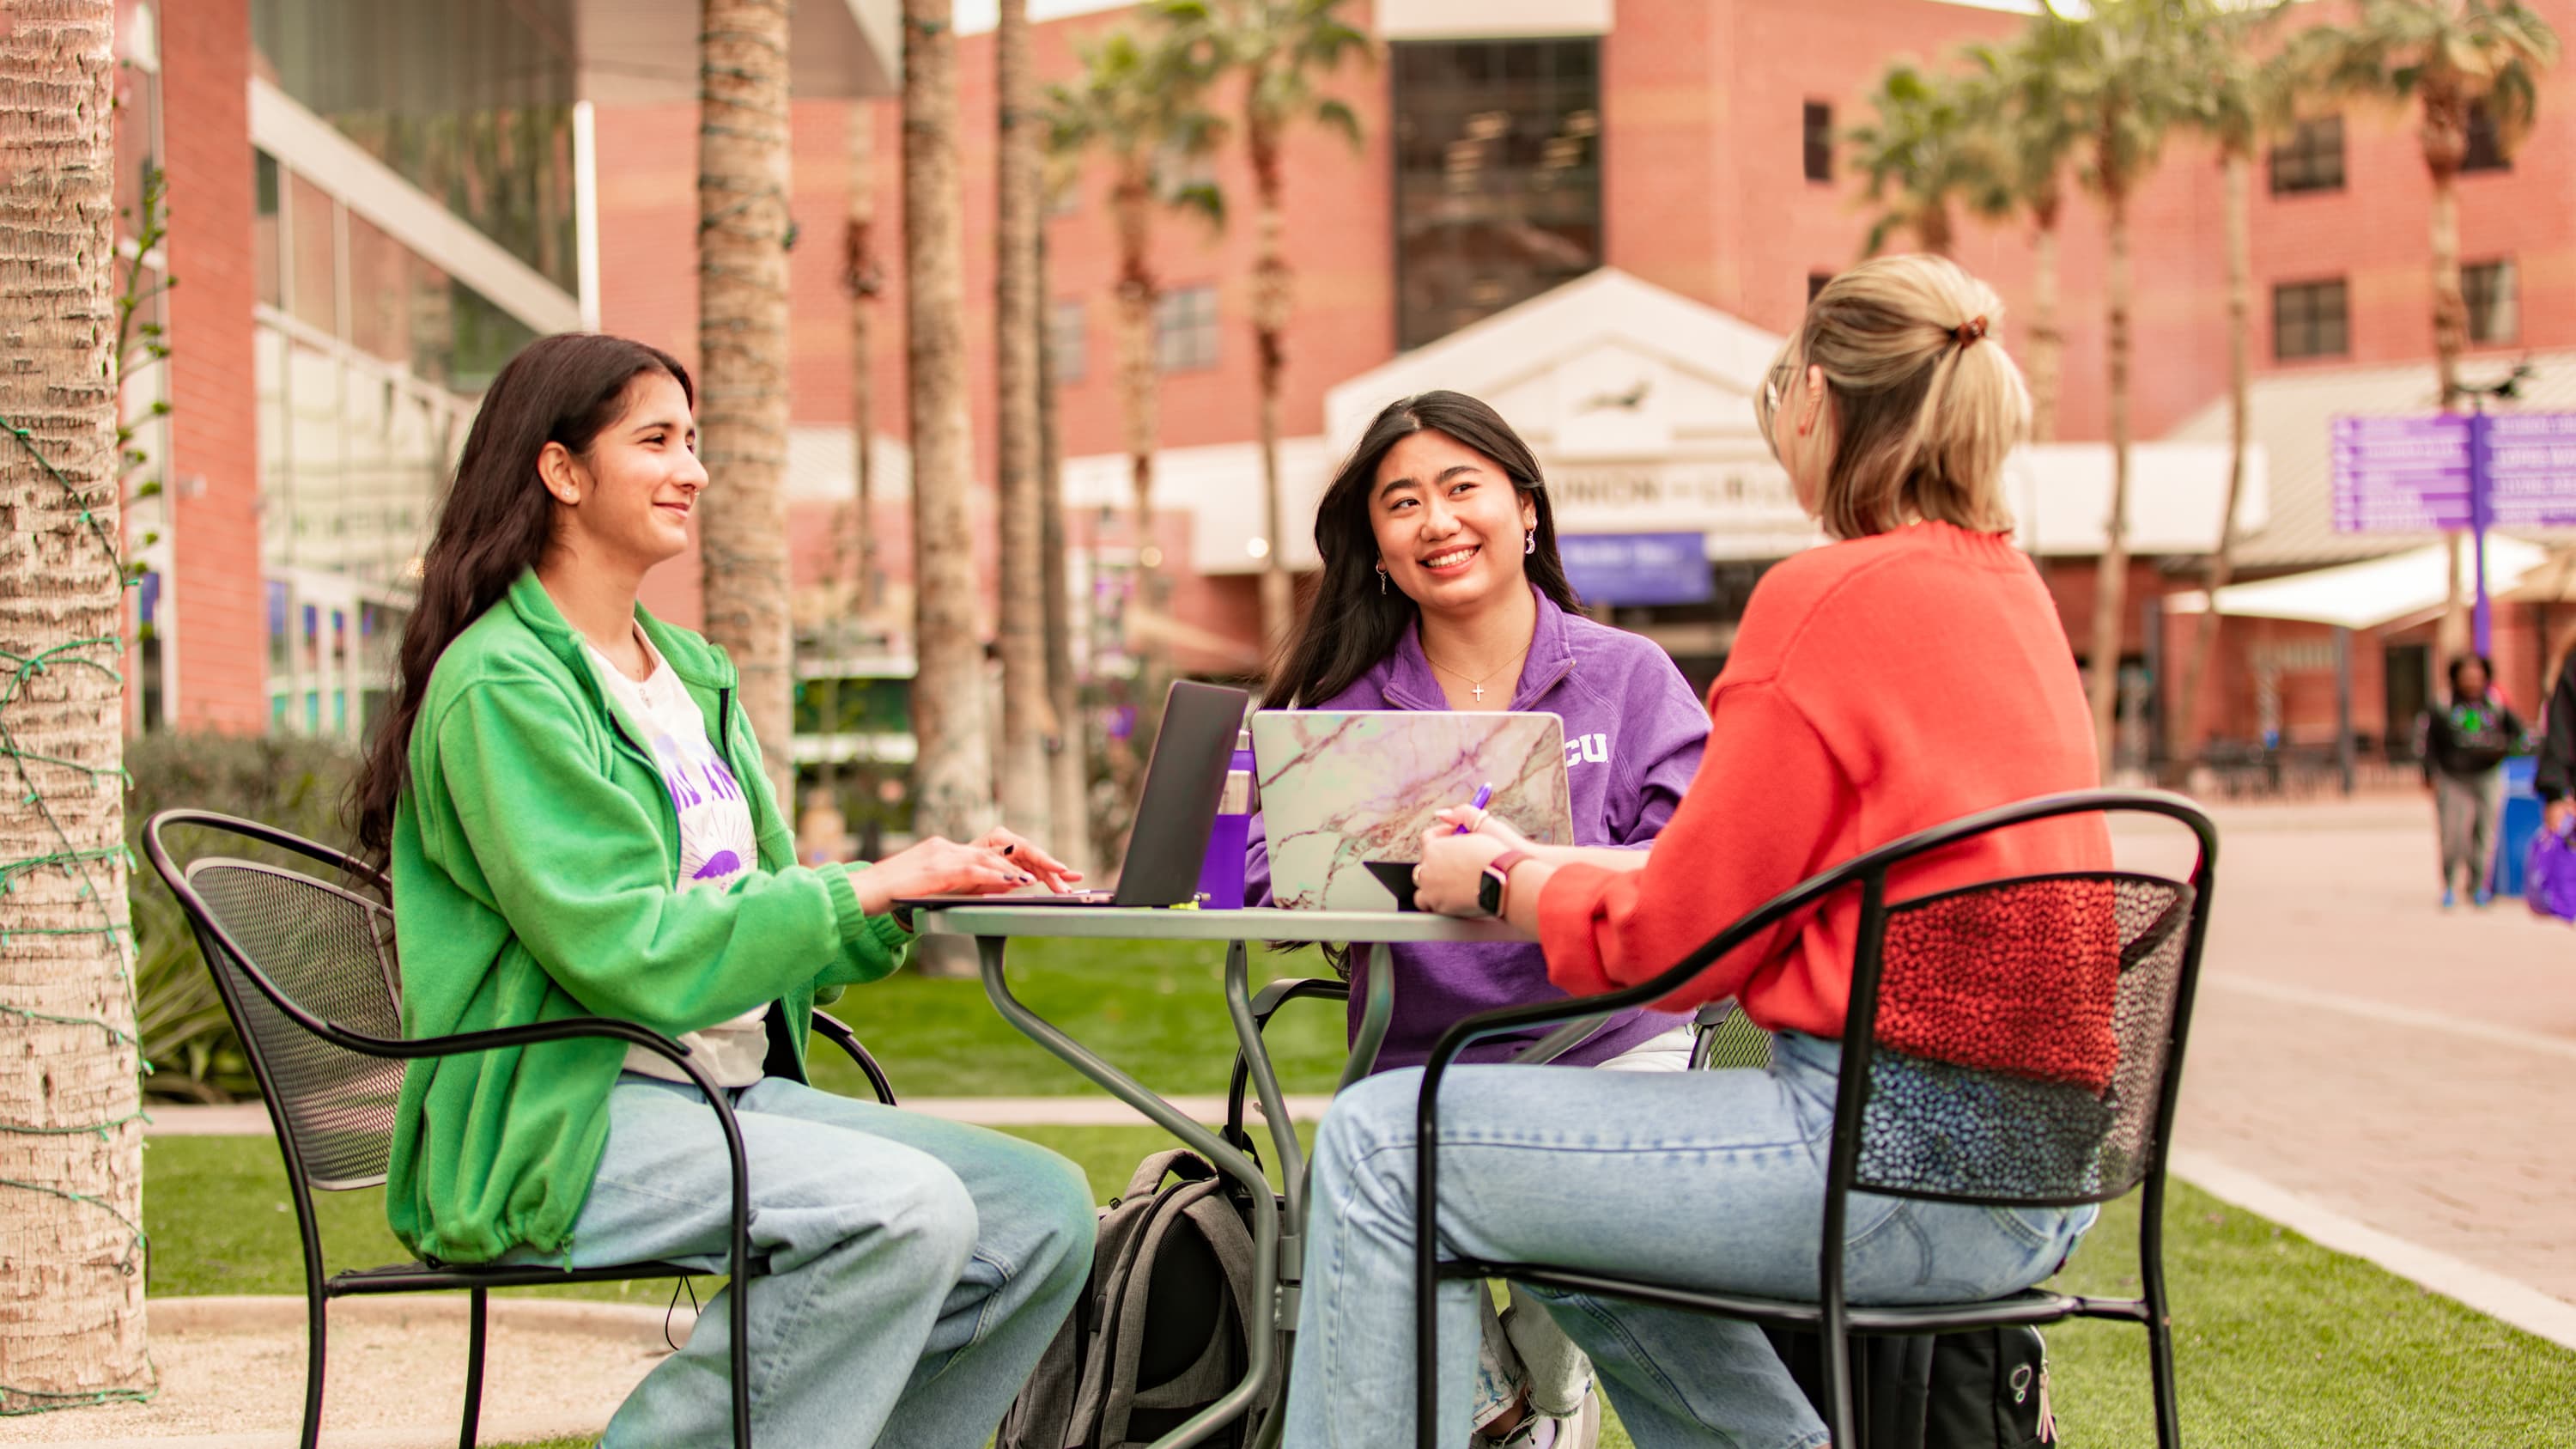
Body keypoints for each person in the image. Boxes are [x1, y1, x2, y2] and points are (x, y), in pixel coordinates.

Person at [1276, 256, 2109, 1449]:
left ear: (1814, 399)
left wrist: (1507, 879)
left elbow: (1688, 946)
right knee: (1543, 1162)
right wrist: (1558, 865)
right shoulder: (2006, 588)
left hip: (1878, 1161)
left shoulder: (1822, 599)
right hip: (2031, 1169)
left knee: (1377, 1139)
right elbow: (1759, 882)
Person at [349, 332, 1097, 1447]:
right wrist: (862, 886)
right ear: (561, 469)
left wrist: (918, 882)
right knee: (904, 1209)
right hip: (557, 1118)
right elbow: (625, 946)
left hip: (723, 1090)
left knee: (1043, 1211)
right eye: (656, 440)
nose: (693, 467)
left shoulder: (687, 671)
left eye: (693, 441)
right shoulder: (502, 682)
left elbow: (767, 909)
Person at [1249, 390, 1710, 1446]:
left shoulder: (1628, 674)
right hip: (1418, 1069)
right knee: (1389, 1200)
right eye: (1401, 502)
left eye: (1462, 488)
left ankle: (1537, 1378)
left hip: (1608, 1047)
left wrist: (1531, 871)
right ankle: (1503, 1394)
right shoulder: (1341, 702)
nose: (1436, 521)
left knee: (1574, 1215)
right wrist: (1405, 851)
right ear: (1375, 545)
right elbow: (1275, 880)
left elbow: (1695, 865)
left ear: (1527, 509)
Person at [2417, 653, 2524, 908]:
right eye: (2467, 675)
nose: (2473, 681)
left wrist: (2503, 748)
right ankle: (2449, 884)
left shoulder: (2495, 703)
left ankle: (2478, 886)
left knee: (2485, 833)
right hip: (2453, 776)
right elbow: (2428, 743)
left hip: (2488, 775)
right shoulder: (2443, 706)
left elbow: (2519, 734)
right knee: (2452, 834)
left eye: (2478, 675)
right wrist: (2429, 773)